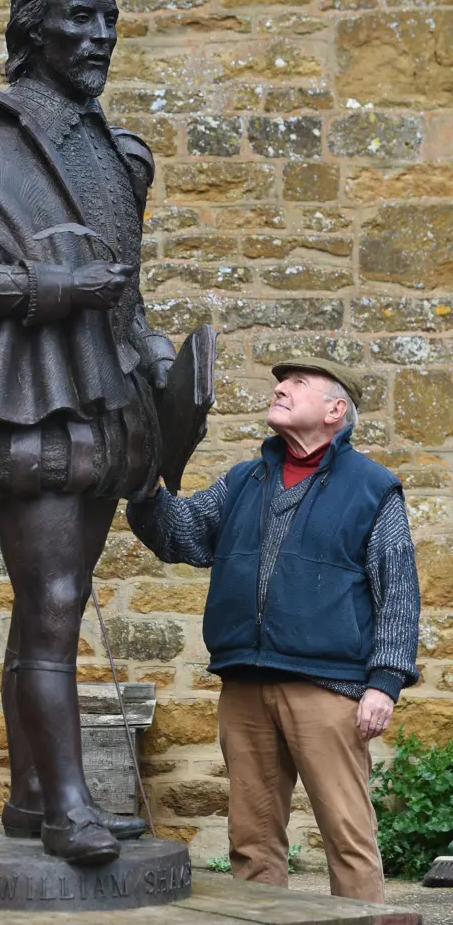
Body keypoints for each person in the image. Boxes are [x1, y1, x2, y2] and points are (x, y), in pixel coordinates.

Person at [0, 0, 176, 865]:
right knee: (54, 603)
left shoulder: (114, 149)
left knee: (47, 608)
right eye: (78, 21)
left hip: (106, 398)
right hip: (32, 403)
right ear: (34, 32)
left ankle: (30, 798)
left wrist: (165, 364)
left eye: (110, 20)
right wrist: (53, 286)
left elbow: (127, 299)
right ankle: (67, 809)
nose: (98, 38)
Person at [127, 357, 420, 902]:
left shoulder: (373, 488)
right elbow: (183, 536)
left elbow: (398, 590)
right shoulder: (244, 479)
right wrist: (147, 490)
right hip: (245, 682)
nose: (281, 388)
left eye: (297, 383)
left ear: (336, 411)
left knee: (347, 837)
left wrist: (385, 681)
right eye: (280, 383)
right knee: (252, 843)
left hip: (326, 685)